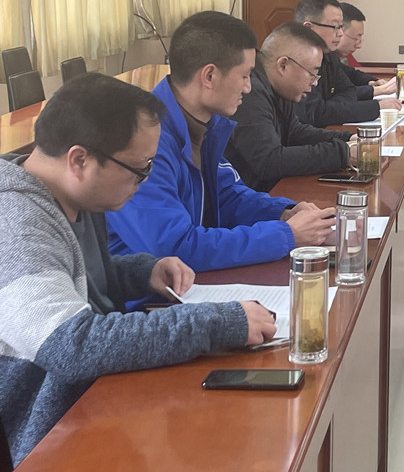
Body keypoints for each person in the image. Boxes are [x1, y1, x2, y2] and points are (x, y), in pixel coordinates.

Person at [0, 74, 276, 466]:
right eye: (138, 168)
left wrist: (141, 272)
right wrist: (220, 321)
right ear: (79, 160)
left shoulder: (73, 195)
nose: (143, 182)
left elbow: (73, 279)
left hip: (93, 398)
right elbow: (71, 346)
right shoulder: (16, 226)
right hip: (52, 437)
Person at [106, 11, 335, 272]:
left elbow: (226, 196)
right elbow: (174, 247)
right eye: (245, 76)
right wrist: (285, 235)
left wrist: (284, 213)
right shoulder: (143, 141)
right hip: (144, 289)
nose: (248, 88)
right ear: (209, 76)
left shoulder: (205, 122)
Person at [225, 23, 356, 193]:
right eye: (312, 74)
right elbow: (269, 162)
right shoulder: (250, 92)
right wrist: (343, 154)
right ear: (283, 66)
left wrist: (349, 138)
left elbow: (295, 132)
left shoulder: (277, 87)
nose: (315, 82)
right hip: (246, 198)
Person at [294, 0, 388, 127]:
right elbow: (316, 114)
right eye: (335, 27)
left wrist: (330, 105)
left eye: (341, 27)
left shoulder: (330, 55)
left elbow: (349, 91)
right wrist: (375, 107)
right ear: (309, 28)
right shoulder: (295, 62)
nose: (340, 33)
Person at [336, 2, 397, 101]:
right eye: (356, 38)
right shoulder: (317, 59)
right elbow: (340, 94)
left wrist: (372, 82)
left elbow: (351, 73)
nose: (359, 45)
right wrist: (381, 90)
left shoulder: (332, 58)